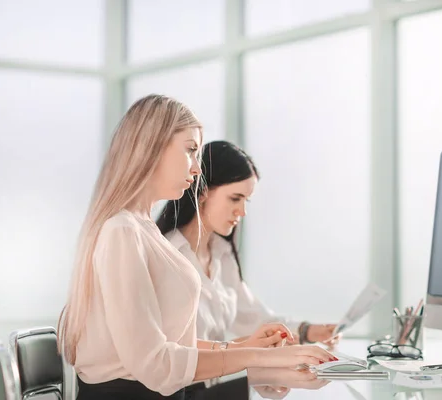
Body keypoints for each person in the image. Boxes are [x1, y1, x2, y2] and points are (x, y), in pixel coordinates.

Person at [57, 95, 335, 400]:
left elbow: (167, 344)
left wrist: (244, 349)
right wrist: (264, 360)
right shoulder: (122, 232)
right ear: (152, 146)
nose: (197, 168)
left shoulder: (142, 229)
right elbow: (156, 364)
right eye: (191, 150)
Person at [155, 140, 340, 349]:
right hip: (186, 380)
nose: (242, 212)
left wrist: (309, 332)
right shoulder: (166, 254)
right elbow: (168, 350)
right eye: (235, 198)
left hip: (216, 379)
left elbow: (256, 320)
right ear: (202, 191)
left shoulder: (221, 254)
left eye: (246, 201)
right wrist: (239, 349)